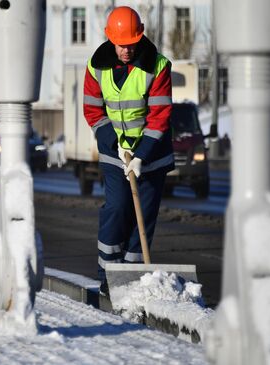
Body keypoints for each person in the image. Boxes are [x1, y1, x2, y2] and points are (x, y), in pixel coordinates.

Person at [83, 6, 174, 295]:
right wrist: (115, 142)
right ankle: (109, 275)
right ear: (111, 39)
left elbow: (160, 115)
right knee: (118, 208)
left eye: (132, 44)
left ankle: (134, 279)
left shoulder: (158, 66)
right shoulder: (96, 67)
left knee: (142, 218)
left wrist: (141, 155)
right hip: (115, 154)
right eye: (122, 45)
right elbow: (93, 112)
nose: (127, 50)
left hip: (152, 156)